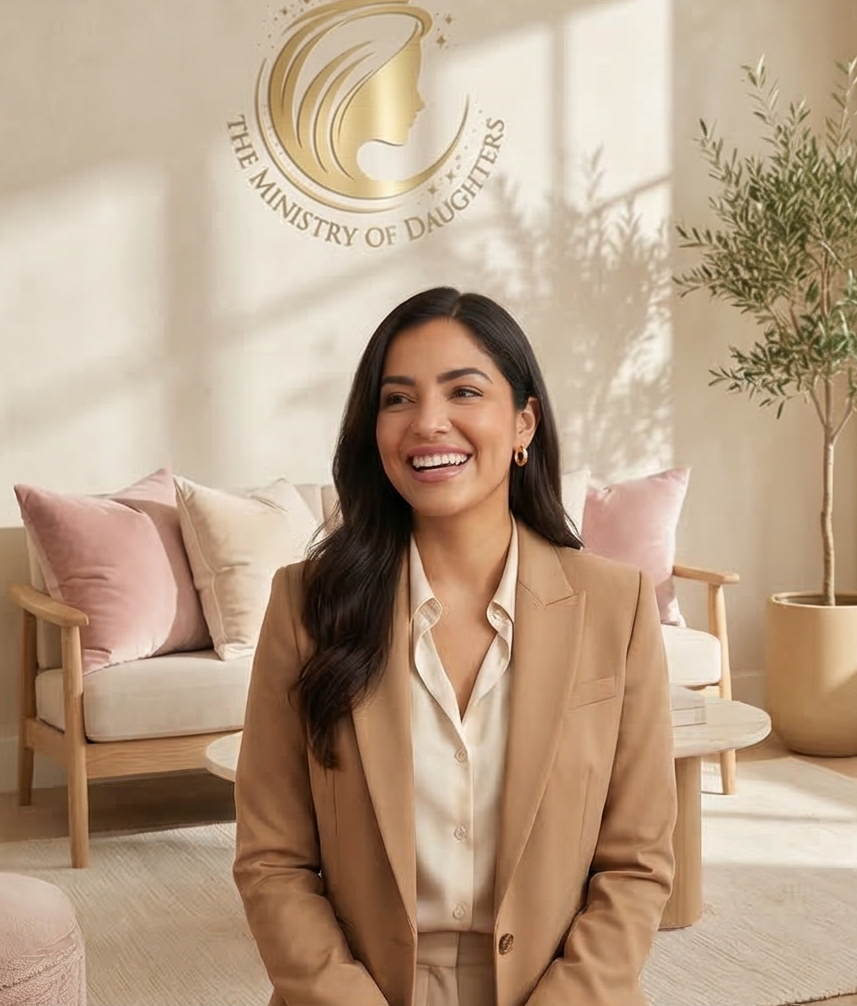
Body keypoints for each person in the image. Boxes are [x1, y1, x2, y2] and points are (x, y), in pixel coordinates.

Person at [233, 287, 677, 1006]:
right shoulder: (305, 605)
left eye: (464, 391)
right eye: (397, 399)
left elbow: (637, 865)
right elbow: (272, 862)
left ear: (523, 420)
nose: (427, 424)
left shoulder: (615, 605)